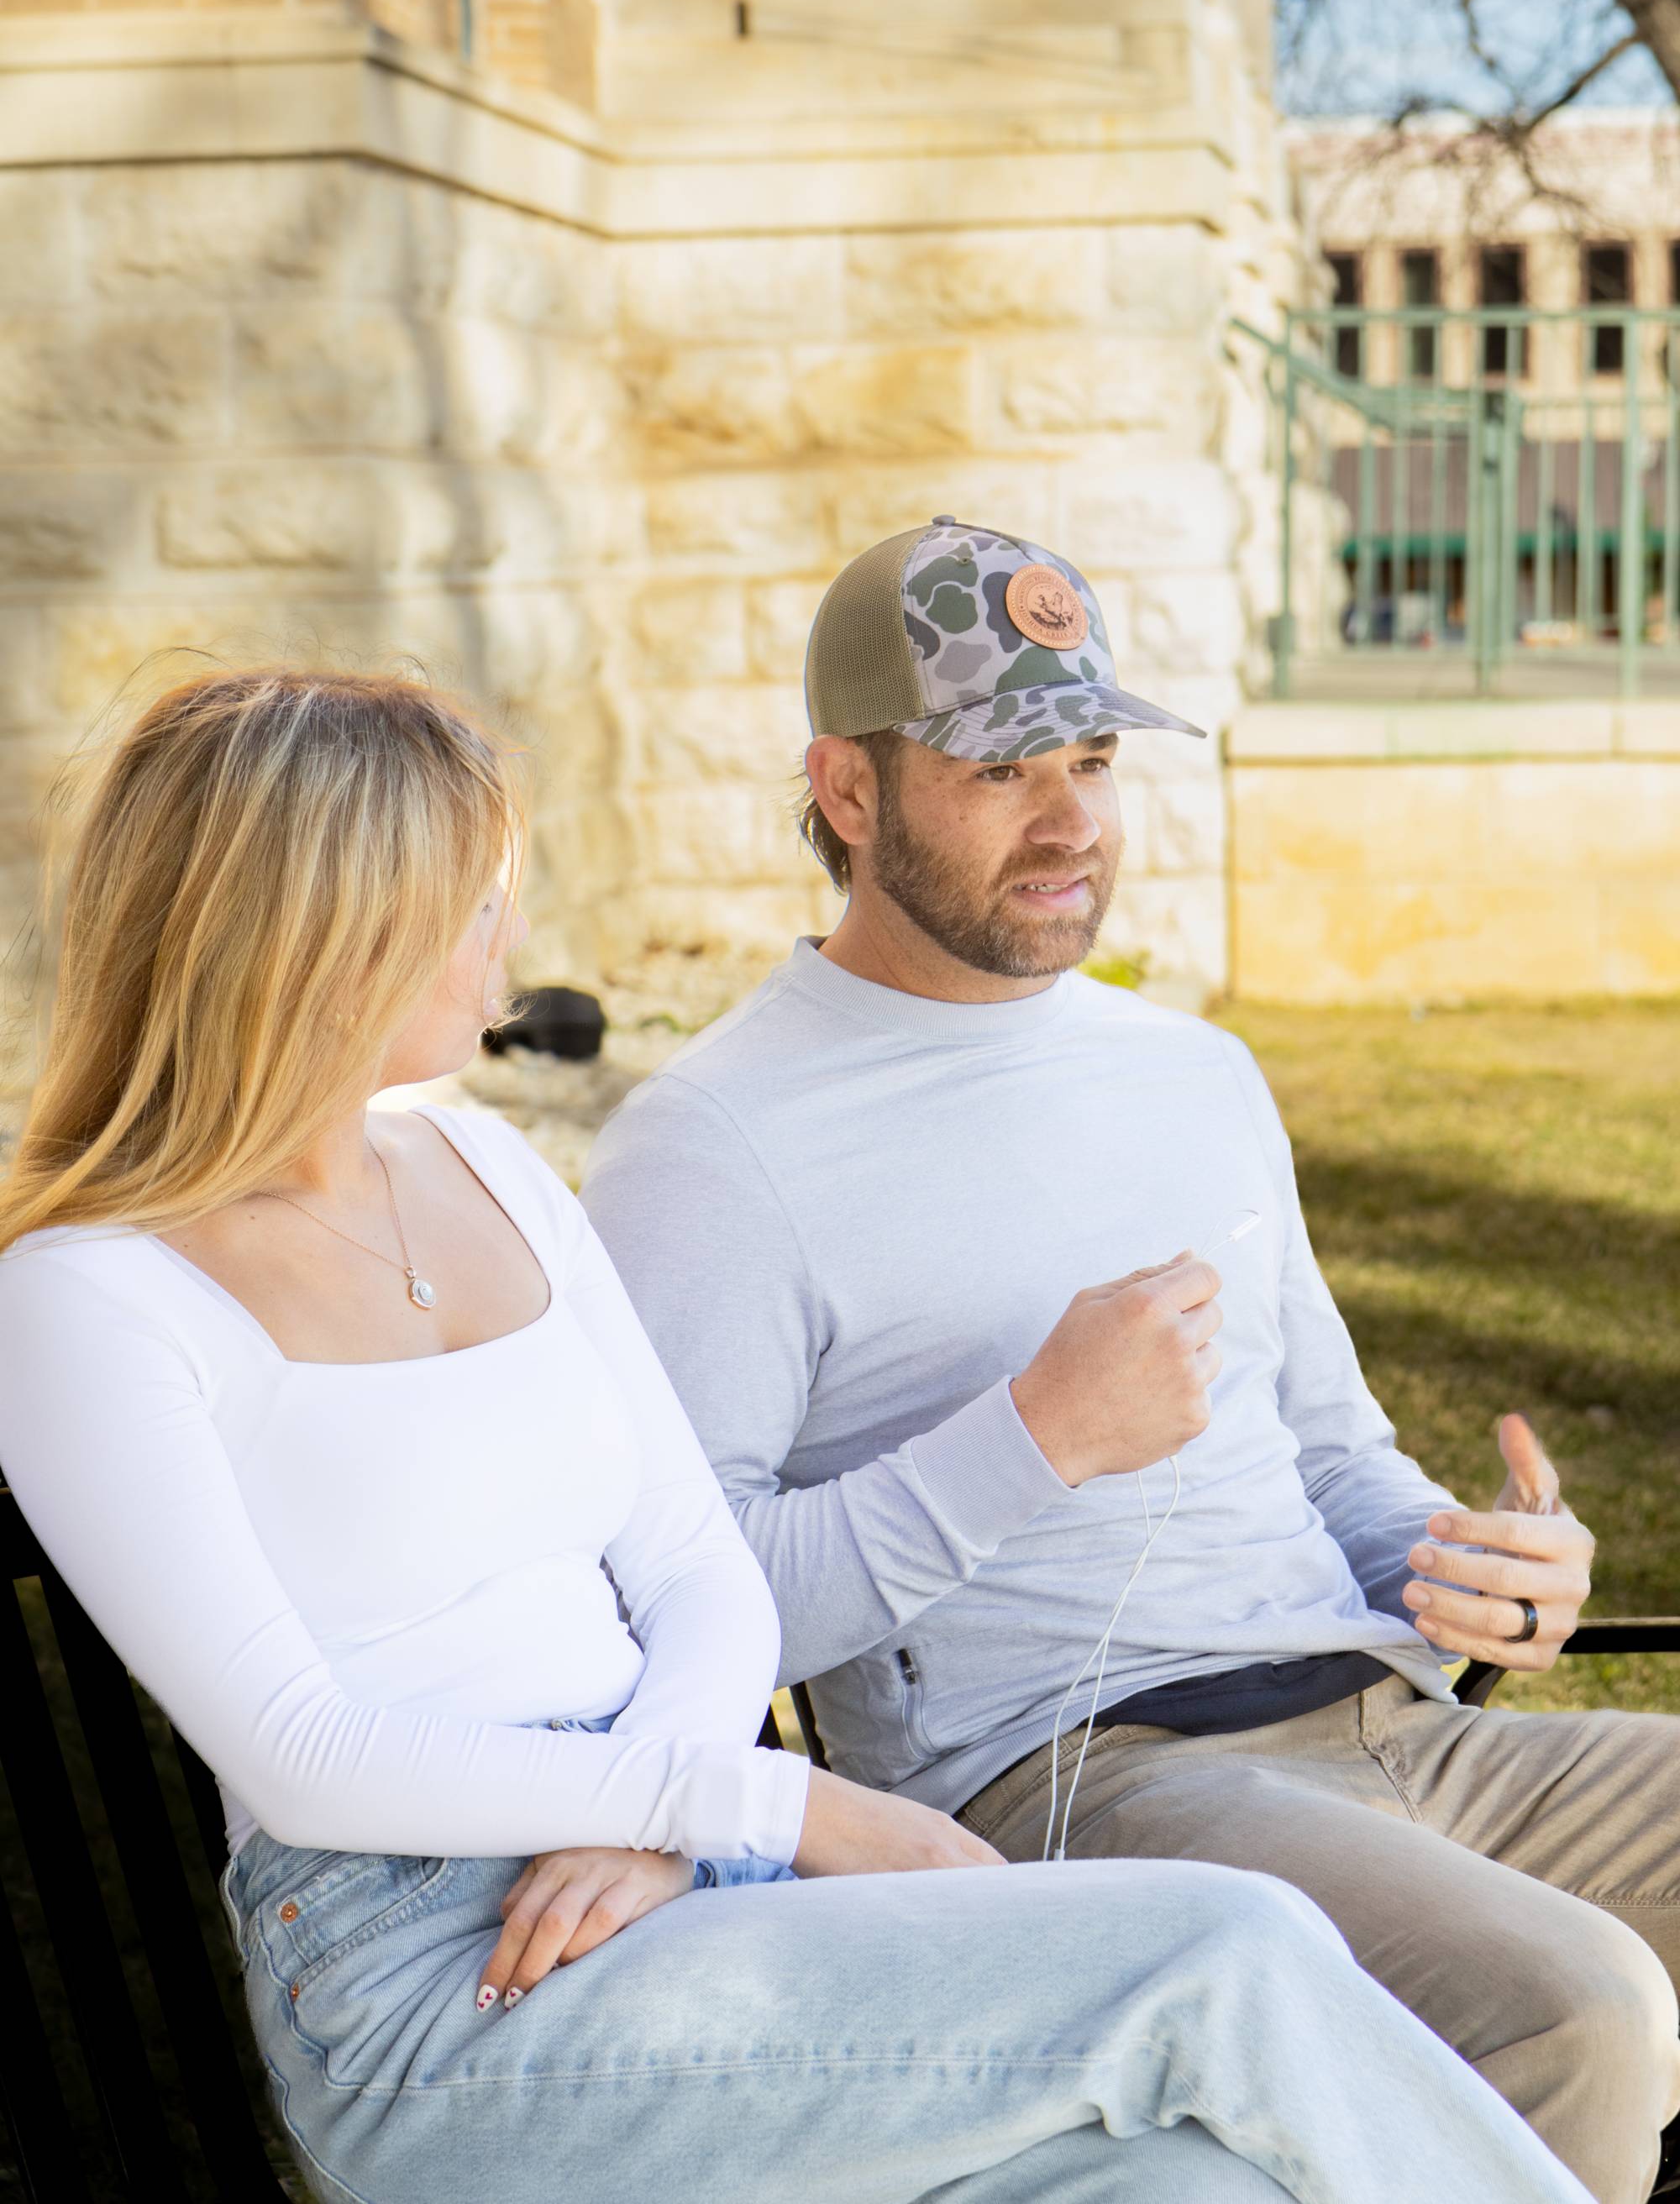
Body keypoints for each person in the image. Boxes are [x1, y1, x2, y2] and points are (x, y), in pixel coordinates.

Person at [0, 664, 1594, 2204]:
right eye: (479, 900)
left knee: (1181, 2183)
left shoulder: (480, 1168)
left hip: (690, 1874)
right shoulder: (91, 1299)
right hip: (447, 1982)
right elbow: (308, 1757)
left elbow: (698, 1567)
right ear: (326, 935)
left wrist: (673, 1820)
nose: (516, 939)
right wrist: (767, 1807)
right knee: (1228, 1956)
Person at [580, 518, 1680, 2204]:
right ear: (849, 793)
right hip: (1082, 1784)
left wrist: (1469, 1567)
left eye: (1092, 755)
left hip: (1386, 1713)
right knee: (1572, 2007)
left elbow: (1326, 1445)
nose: (1073, 819)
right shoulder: (714, 1145)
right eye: (1002, 764)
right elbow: (692, 1618)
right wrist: (1031, 1437)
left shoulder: (1197, 1075)